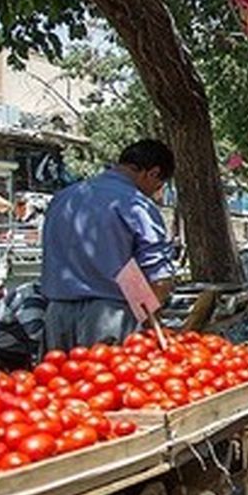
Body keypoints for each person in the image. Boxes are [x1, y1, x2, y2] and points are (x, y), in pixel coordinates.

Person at [41, 139, 176, 350]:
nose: (154, 193)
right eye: (158, 186)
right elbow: (158, 278)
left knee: (59, 372)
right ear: (152, 173)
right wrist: (151, 320)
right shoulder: (137, 206)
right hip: (110, 318)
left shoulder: (62, 198)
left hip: (57, 315)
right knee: (108, 372)